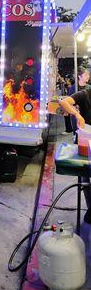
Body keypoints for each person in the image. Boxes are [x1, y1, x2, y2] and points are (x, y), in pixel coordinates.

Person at [59, 83, 91, 223]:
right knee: (85, 176)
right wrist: (77, 115)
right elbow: (63, 102)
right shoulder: (85, 95)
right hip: (85, 139)